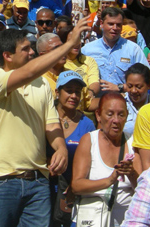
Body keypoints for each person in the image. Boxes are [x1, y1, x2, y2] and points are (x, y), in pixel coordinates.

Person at [0, 17, 89, 226]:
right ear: (7, 56)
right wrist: (68, 44)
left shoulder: (41, 84)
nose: (32, 52)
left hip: (38, 181)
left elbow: (51, 125)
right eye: (25, 49)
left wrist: (61, 148)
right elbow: (29, 71)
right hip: (2, 180)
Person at [72, 92, 139, 226]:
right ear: (98, 115)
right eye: (110, 114)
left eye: (121, 114)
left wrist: (131, 173)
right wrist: (109, 180)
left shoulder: (133, 143)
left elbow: (143, 189)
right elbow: (76, 185)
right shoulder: (89, 141)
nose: (116, 120)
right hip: (92, 220)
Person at [51, 71, 96, 226]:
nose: (74, 96)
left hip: (70, 193)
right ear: (57, 92)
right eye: (69, 90)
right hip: (43, 190)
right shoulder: (45, 118)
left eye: (77, 92)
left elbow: (91, 161)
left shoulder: (87, 125)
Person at [82, 7, 150, 92]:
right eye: (110, 24)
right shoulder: (87, 50)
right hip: (96, 102)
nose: (114, 28)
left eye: (118, 25)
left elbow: (146, 80)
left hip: (125, 102)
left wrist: (120, 87)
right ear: (101, 23)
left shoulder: (133, 49)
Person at [123, 63, 150, 136]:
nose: (133, 91)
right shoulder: (120, 103)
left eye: (138, 87)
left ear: (149, 85)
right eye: (130, 86)